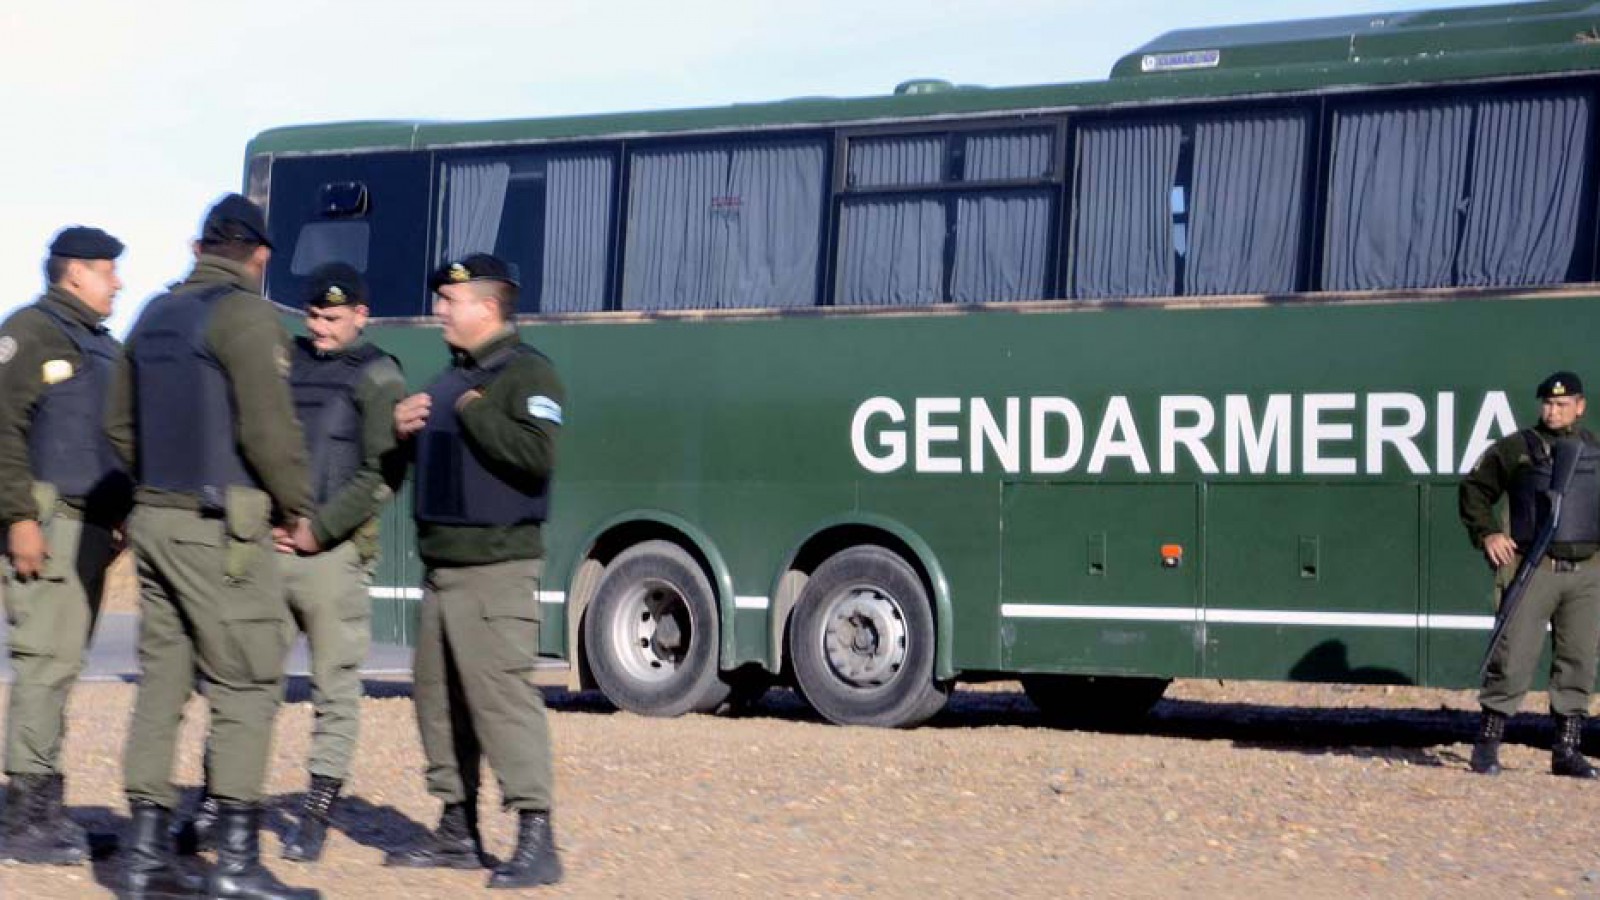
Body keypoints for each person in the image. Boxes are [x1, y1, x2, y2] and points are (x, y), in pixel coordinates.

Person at [106, 194, 321, 900]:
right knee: (248, 682)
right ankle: (234, 863)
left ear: (201, 246)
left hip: (157, 521)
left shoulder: (154, 314)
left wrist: (152, 487)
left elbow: (117, 425)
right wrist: (297, 509)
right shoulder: (249, 315)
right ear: (259, 254)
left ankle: (143, 857)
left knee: (162, 684)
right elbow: (269, 432)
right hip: (220, 527)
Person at [383, 253, 564, 889]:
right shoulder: (449, 379)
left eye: (448, 302)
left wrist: (470, 412)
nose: (438, 311)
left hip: (496, 572)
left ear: (485, 308)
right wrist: (403, 427)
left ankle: (536, 839)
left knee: (502, 704)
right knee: (438, 704)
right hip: (443, 572)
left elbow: (536, 457)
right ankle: (456, 830)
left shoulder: (527, 374)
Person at [0, 227, 133, 865]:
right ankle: (26, 820)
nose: (118, 284)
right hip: (47, 522)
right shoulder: (30, 330)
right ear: (75, 272)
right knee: (44, 665)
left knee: (62, 666)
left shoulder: (99, 344)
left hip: (91, 525)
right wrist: (18, 518)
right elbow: (2, 428)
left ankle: (45, 810)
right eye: (109, 272)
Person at [272, 262, 406, 861]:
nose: (320, 328)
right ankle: (222, 804)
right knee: (244, 684)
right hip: (273, 552)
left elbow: (386, 473)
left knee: (334, 693)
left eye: (333, 318)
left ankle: (315, 815)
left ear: (360, 315)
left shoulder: (379, 375)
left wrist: (319, 531)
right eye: (314, 317)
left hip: (336, 556)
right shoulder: (288, 363)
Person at [1460, 371, 1600, 779]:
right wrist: (1487, 533)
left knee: (1578, 661)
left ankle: (1567, 750)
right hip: (1533, 567)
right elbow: (1474, 489)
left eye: (1561, 404)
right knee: (1513, 656)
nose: (1552, 411)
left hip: (1586, 571)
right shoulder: (1517, 448)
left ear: (1580, 406)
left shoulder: (1593, 449)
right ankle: (1486, 746)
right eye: (1547, 403)